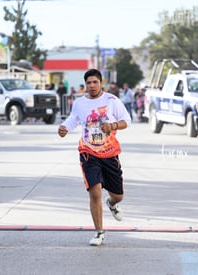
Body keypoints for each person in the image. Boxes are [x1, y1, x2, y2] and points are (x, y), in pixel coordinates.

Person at [58, 69, 131, 246]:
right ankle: (99, 232)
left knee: (118, 195)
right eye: (88, 83)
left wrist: (113, 125)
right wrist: (64, 127)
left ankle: (113, 204)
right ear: (85, 85)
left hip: (109, 153)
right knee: (95, 191)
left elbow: (126, 120)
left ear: (101, 83)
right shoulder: (79, 103)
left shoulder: (112, 101)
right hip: (88, 152)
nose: (91, 86)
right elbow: (73, 119)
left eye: (95, 82)